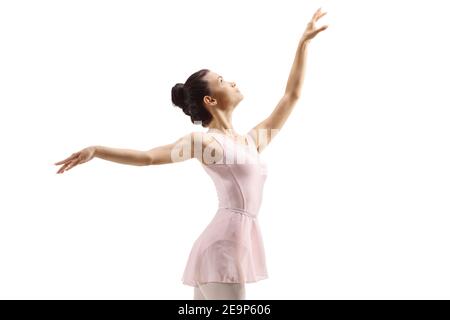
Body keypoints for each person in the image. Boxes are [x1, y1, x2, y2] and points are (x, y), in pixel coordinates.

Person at [54, 8, 328, 300]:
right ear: (211, 100)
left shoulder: (251, 142)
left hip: (231, 245)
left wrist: (303, 44)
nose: (232, 82)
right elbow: (149, 157)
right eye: (223, 81)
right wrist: (96, 151)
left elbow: (291, 97)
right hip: (222, 247)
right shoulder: (206, 144)